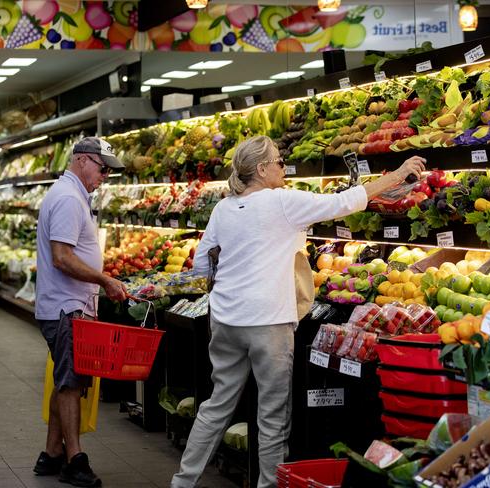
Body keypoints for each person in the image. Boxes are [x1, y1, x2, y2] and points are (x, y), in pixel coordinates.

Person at [171, 135, 426, 488]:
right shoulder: (282, 202)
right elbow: (347, 201)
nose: (283, 168)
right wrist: (398, 174)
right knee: (272, 415)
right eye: (278, 162)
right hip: (269, 324)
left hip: (225, 320)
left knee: (216, 406)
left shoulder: (223, 208)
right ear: (261, 169)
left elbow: (202, 267)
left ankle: (182, 483)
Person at [34, 137, 128, 487]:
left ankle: (52, 453)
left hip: (68, 304)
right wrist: (104, 279)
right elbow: (62, 257)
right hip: (65, 307)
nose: (105, 176)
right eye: (102, 168)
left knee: (65, 379)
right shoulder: (68, 199)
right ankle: (75, 459)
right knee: (71, 383)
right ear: (83, 160)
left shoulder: (72, 195)